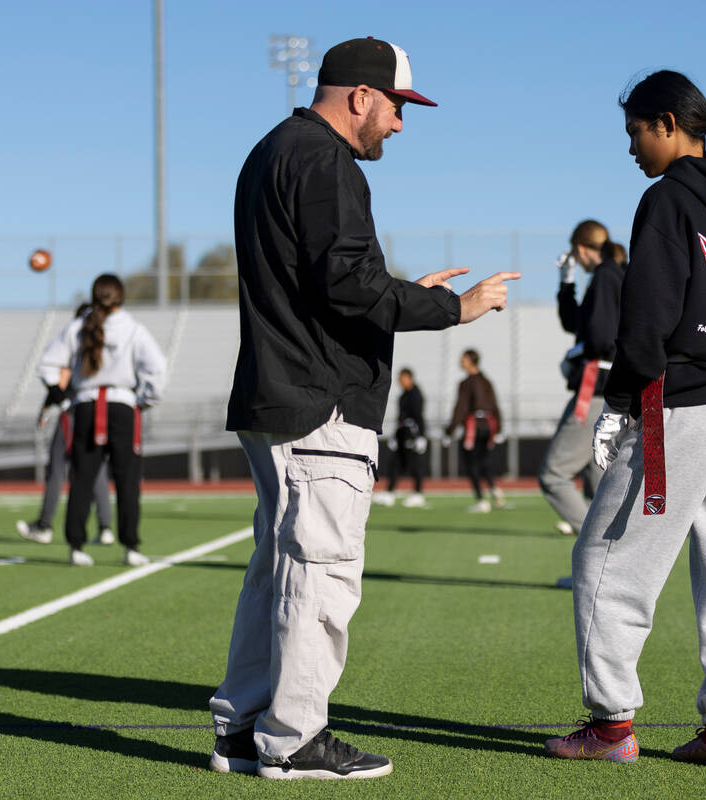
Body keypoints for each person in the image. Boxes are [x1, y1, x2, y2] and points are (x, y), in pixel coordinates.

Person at [209, 37, 519, 781]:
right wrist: (450, 307)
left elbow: (327, 280)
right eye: (397, 109)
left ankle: (244, 729)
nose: (400, 126)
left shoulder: (273, 151)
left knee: (277, 571)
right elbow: (348, 284)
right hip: (319, 402)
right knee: (320, 572)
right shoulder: (325, 160)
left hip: (279, 390)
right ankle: (292, 740)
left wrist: (398, 286)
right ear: (359, 96)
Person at [546, 70, 706, 769]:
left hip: (681, 403)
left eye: (635, 132)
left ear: (668, 123)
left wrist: (620, 404)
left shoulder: (666, 199)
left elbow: (646, 315)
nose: (632, 148)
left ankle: (611, 725)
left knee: (605, 560)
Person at [36, 274, 168, 567]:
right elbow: (158, 370)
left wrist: (62, 398)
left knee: (81, 479)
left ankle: (76, 547)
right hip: (123, 408)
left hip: (85, 408)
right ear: (121, 297)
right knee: (128, 481)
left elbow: (46, 366)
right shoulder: (134, 329)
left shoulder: (77, 327)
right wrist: (145, 401)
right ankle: (131, 547)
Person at [538, 220, 621, 539]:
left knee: (554, 474)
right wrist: (566, 282)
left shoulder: (605, 277)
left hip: (595, 388)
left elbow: (600, 338)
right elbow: (575, 322)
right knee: (598, 482)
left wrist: (577, 355)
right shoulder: (612, 274)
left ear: (581, 249)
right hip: (607, 390)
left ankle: (595, 547)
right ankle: (600, 572)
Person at [17, 303, 115, 547]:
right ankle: (105, 527)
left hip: (73, 412)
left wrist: (47, 407)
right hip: (99, 409)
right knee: (98, 469)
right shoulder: (104, 340)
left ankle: (44, 525)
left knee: (57, 469)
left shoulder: (77, 339)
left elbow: (61, 381)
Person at [447, 349, 504, 513]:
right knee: (483, 460)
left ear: (471, 361)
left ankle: (481, 500)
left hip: (474, 428)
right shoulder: (487, 381)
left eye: (463, 359)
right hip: (489, 426)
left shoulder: (466, 383)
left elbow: (461, 407)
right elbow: (494, 404)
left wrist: (450, 429)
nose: (461, 362)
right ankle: (493, 488)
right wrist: (499, 427)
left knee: (470, 463)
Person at [373, 368, 428, 508]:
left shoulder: (416, 395)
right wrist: (395, 436)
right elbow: (400, 417)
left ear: (410, 378)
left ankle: (418, 493)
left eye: (402, 378)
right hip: (402, 433)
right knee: (396, 463)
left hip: (412, 434)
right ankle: (390, 492)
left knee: (414, 464)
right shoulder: (403, 396)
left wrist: (421, 436)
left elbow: (418, 416)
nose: (400, 381)